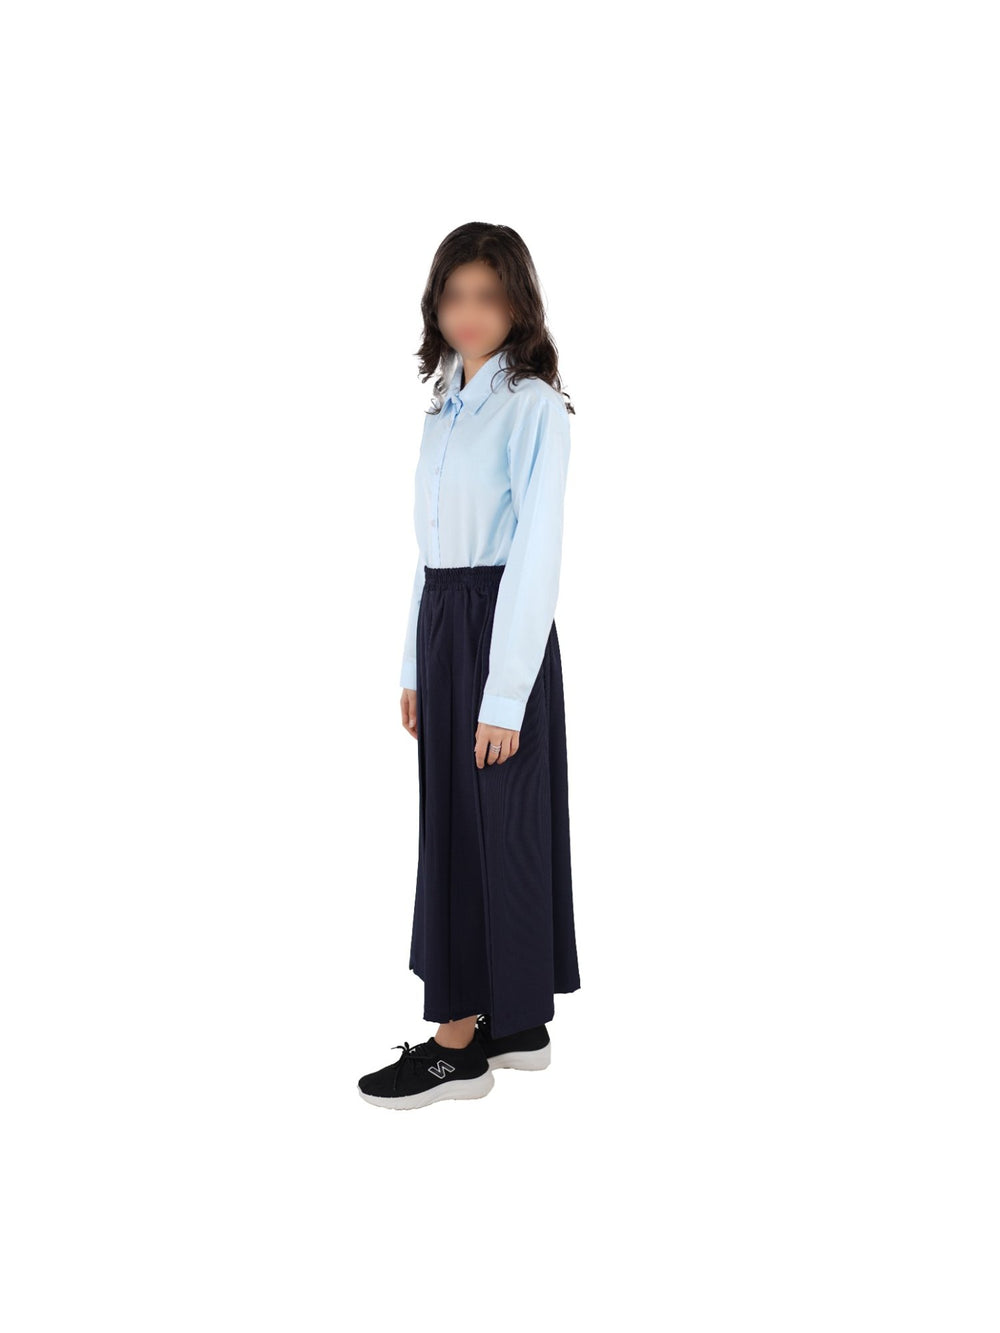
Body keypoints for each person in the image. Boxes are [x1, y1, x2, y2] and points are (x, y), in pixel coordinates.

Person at [357, 222, 581, 1110]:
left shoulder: (532, 406)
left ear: (519, 303)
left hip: (500, 623)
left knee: (501, 823)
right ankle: (515, 1022)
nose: (469, 313)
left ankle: (459, 1045)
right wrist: (414, 663)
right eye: (454, 296)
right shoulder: (445, 405)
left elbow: (536, 551)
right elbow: (429, 547)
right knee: (461, 821)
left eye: (488, 295)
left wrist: (505, 694)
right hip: (447, 623)